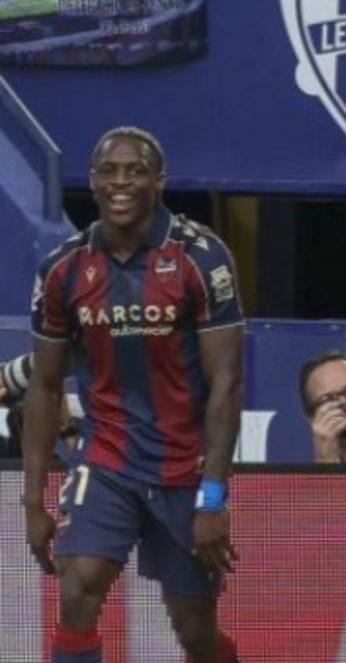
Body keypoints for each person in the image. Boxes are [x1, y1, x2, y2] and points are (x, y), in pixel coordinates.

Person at [23, 126, 244, 663]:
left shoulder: (202, 258)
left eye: (135, 171)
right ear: (93, 181)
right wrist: (32, 499)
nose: (120, 183)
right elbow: (46, 386)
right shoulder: (64, 269)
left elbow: (227, 384)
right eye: (108, 171)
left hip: (183, 471)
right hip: (107, 460)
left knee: (195, 633)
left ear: (159, 181)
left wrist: (213, 496)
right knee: (77, 589)